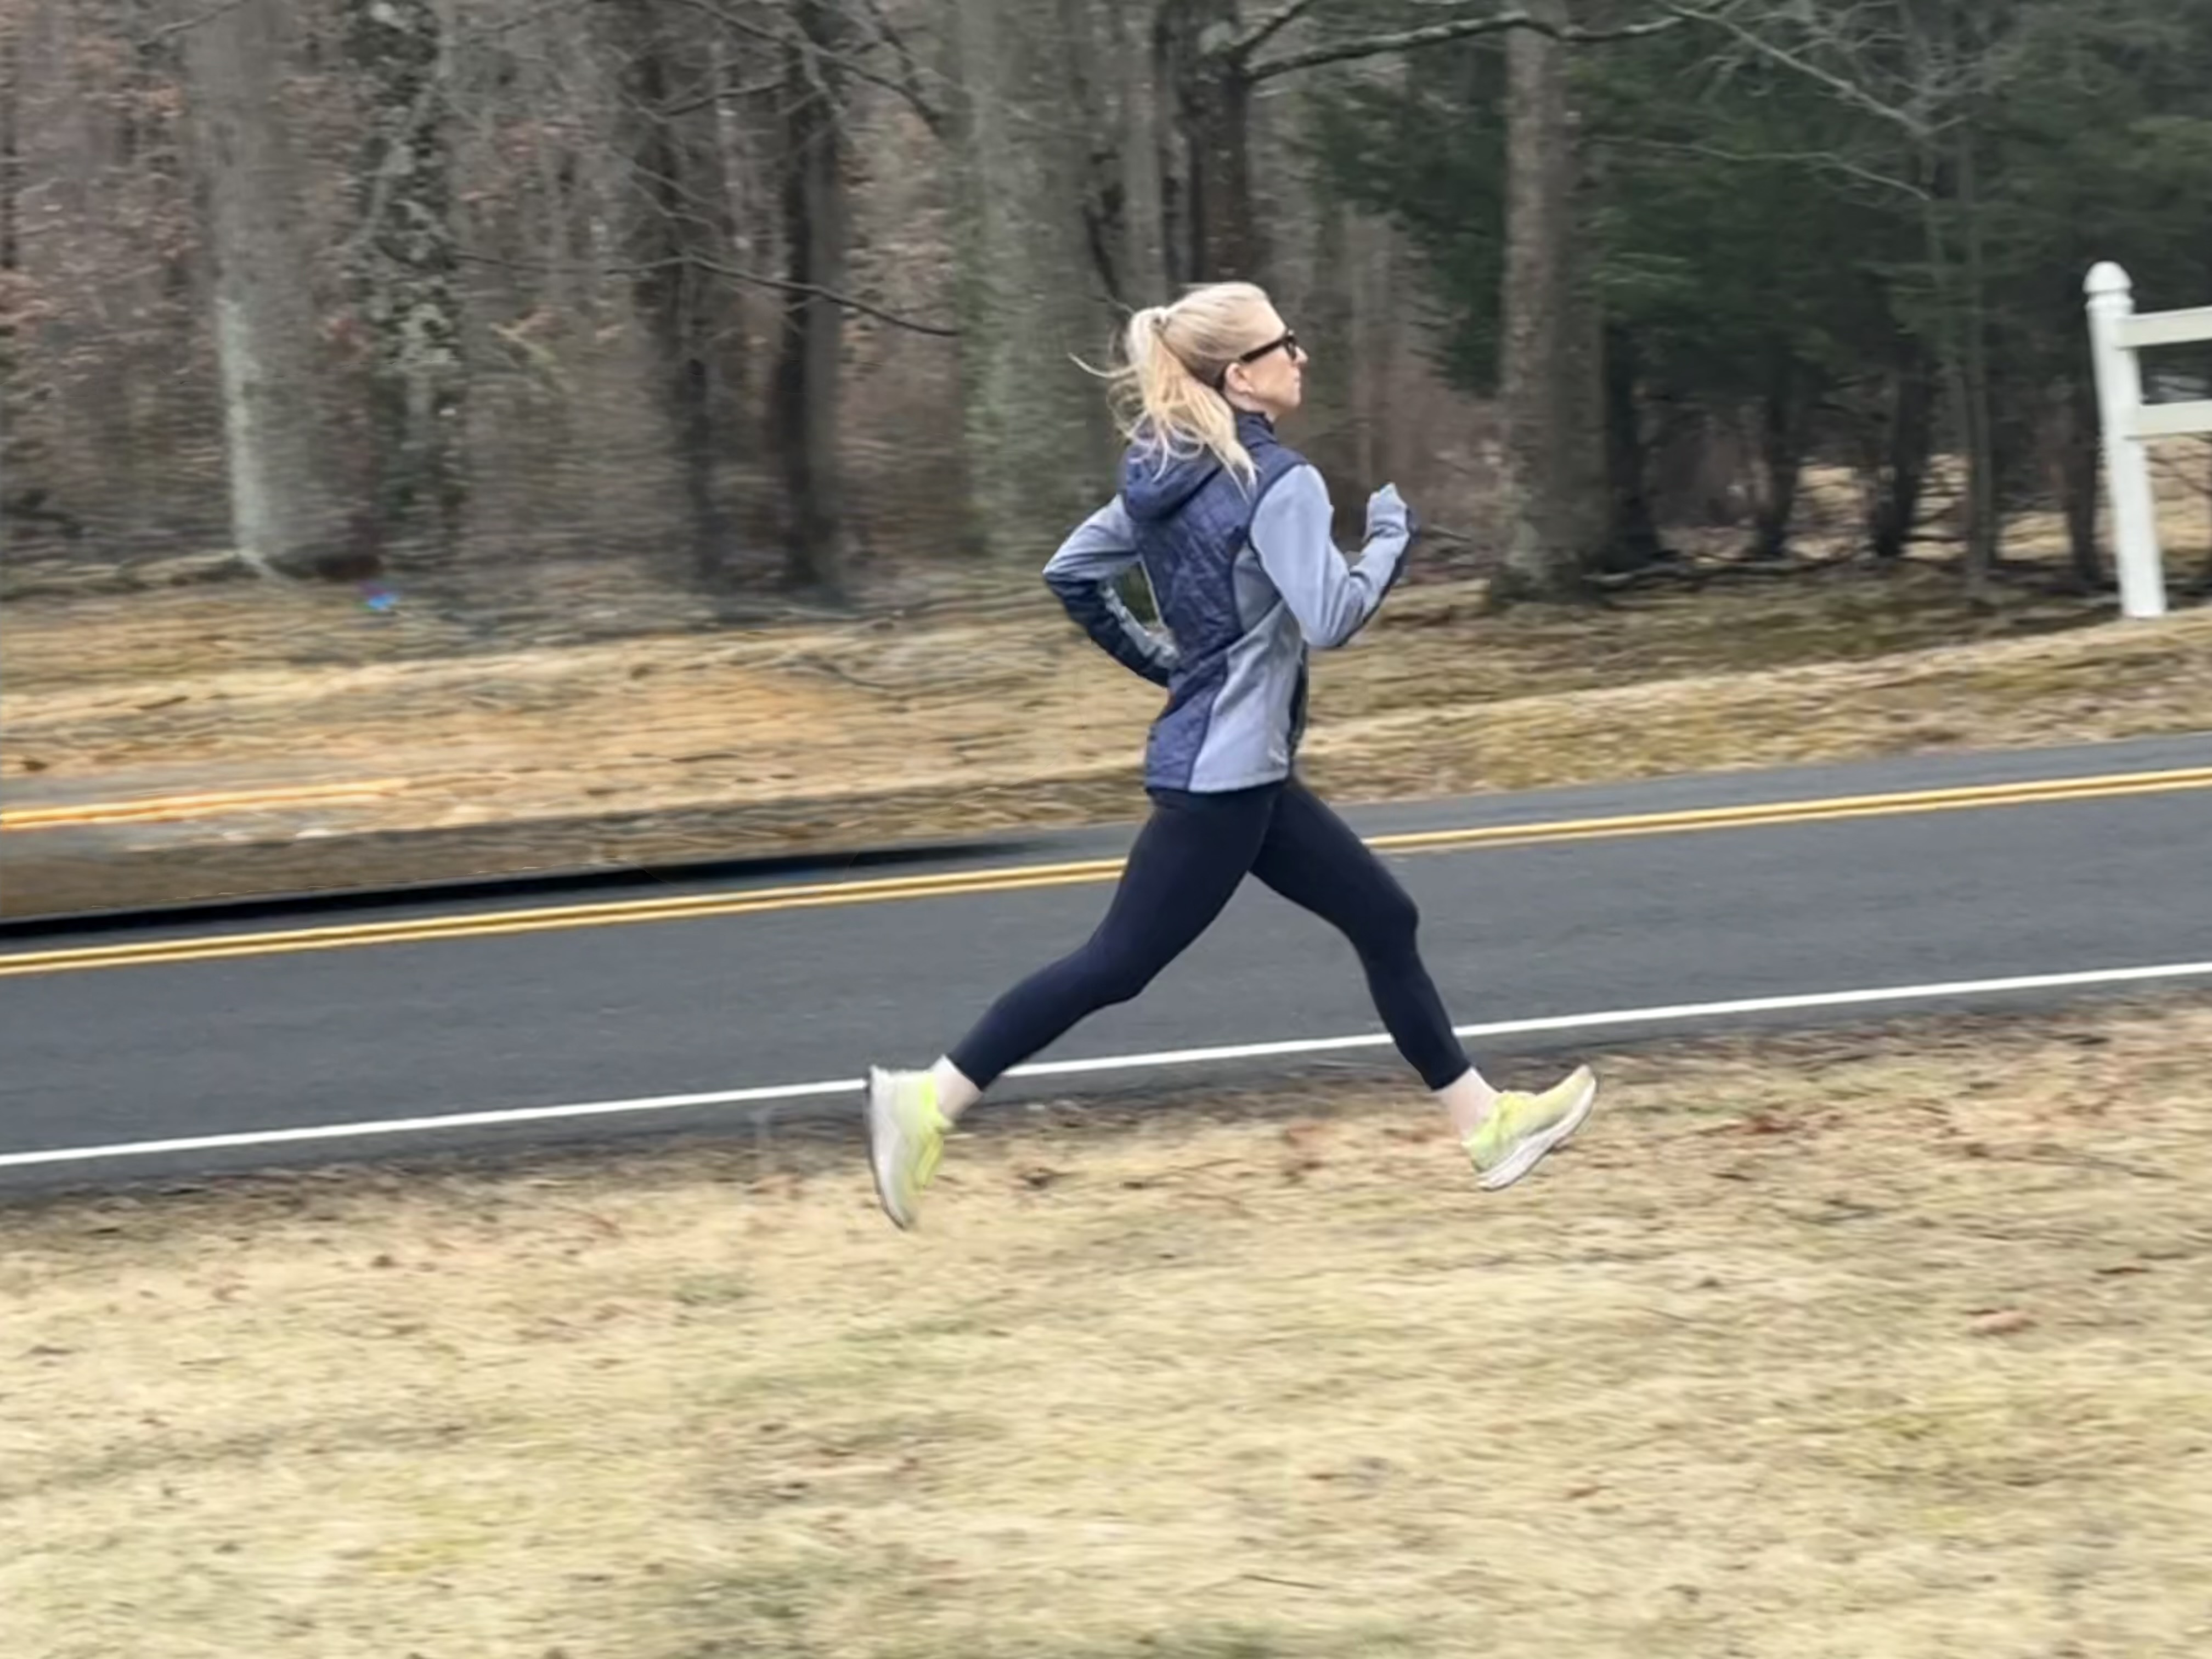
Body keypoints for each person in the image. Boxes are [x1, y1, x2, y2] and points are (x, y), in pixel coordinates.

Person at [864, 281, 1595, 1230]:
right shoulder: (1277, 483)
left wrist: (1168, 664)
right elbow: (1330, 617)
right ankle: (925, 1103)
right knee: (1114, 964)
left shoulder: (1165, 468)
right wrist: (1388, 540)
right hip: (1226, 785)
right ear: (1241, 374)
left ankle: (1486, 1126)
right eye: (1285, 344)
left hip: (1239, 769)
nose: (1302, 356)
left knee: (1384, 916)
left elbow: (1072, 573)